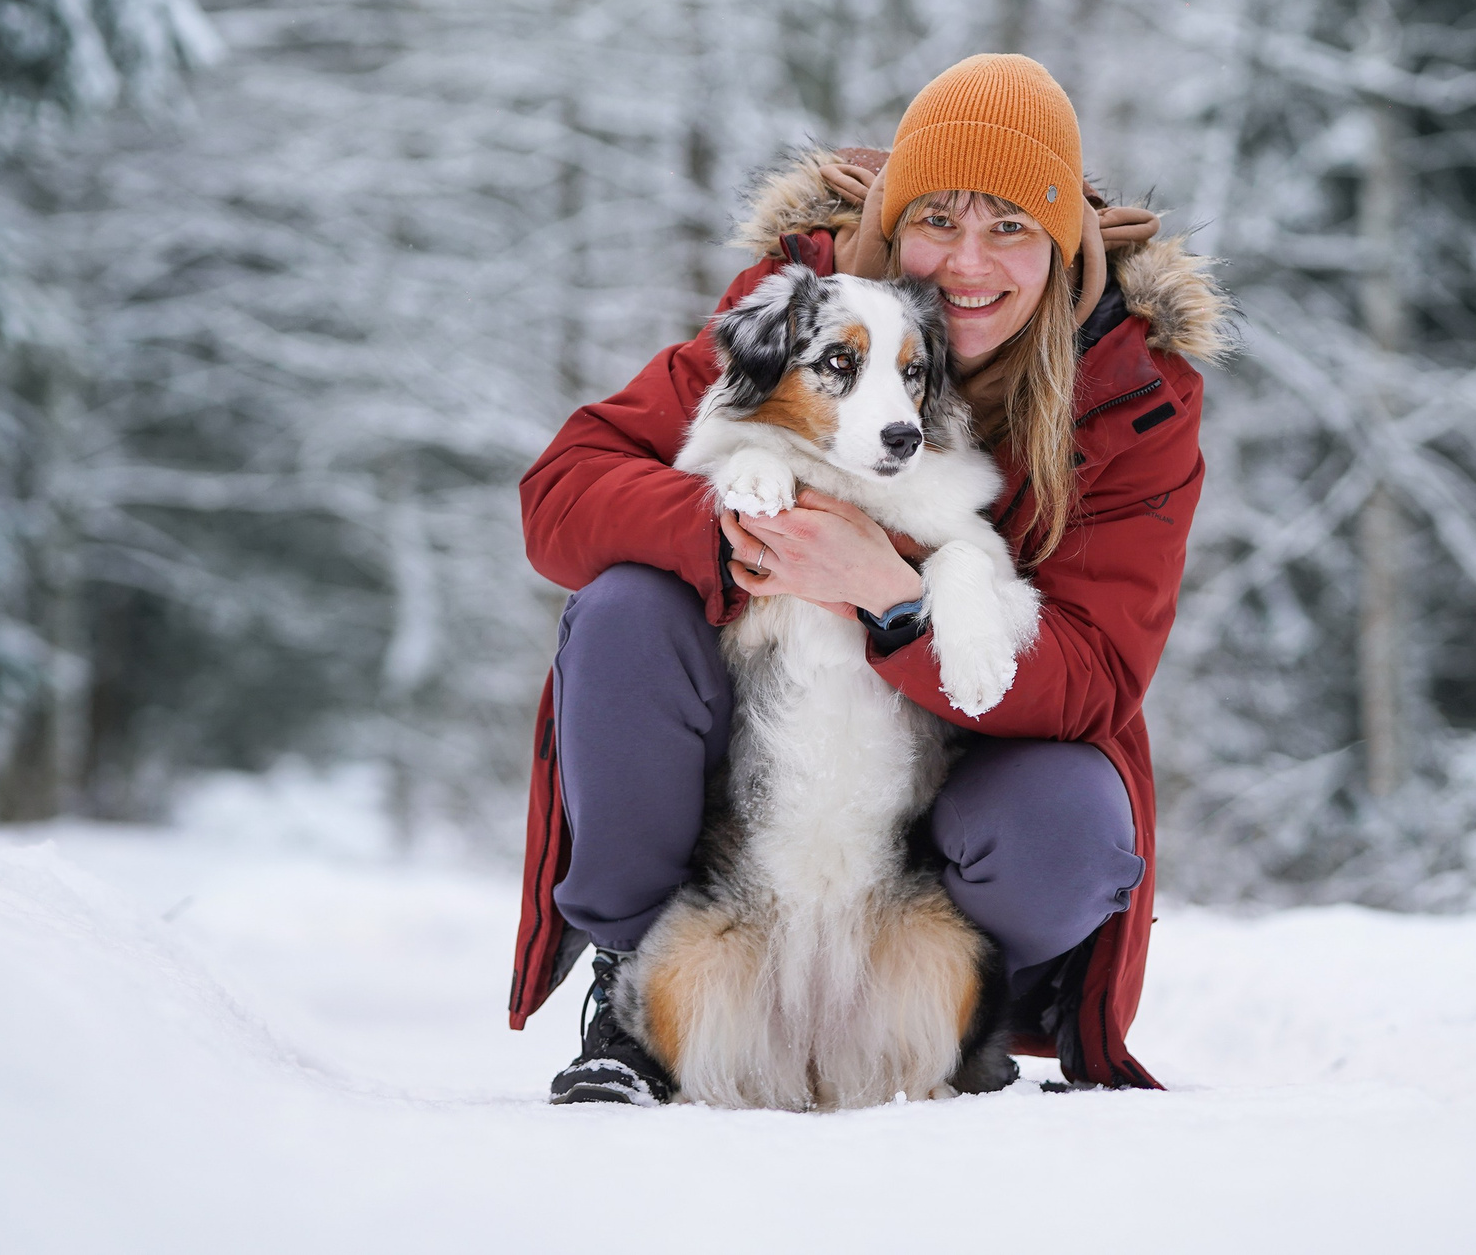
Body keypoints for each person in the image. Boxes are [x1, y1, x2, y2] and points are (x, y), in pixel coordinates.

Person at [507, 53, 1232, 1104]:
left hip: (942, 790)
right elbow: (562, 493)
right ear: (891, 228)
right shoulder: (797, 315)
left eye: (1009, 228)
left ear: (1059, 242)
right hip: (746, 808)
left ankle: (949, 1012)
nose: (965, 262)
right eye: (938, 219)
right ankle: (634, 992)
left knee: (1069, 824)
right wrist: (729, 537)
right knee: (623, 608)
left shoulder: (1133, 399)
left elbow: (1094, 676)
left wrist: (887, 592)